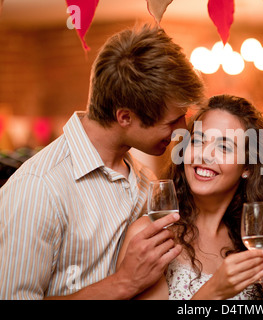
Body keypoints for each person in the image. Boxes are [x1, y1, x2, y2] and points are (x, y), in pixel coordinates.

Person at [0, 24, 204, 299]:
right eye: (172, 121)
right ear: (125, 117)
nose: (182, 129)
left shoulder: (147, 184)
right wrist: (123, 283)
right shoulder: (38, 188)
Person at [117, 94, 263, 300]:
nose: (204, 155)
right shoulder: (151, 236)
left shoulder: (249, 241)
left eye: (224, 147)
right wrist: (214, 292)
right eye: (197, 141)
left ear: (247, 167)